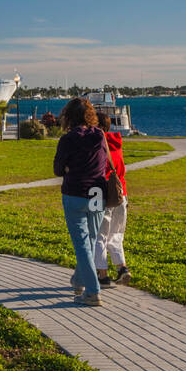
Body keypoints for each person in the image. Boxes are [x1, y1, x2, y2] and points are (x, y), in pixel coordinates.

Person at [53, 97, 108, 305]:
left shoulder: (67, 139)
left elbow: (58, 169)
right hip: (96, 193)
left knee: (82, 244)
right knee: (91, 240)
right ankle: (78, 280)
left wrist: (69, 169)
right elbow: (102, 163)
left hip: (75, 193)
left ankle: (93, 291)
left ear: (69, 116)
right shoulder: (100, 136)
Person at [94, 112, 131, 285]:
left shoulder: (99, 145)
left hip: (103, 195)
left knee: (99, 235)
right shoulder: (117, 143)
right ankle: (122, 267)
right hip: (121, 194)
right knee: (116, 234)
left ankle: (102, 274)